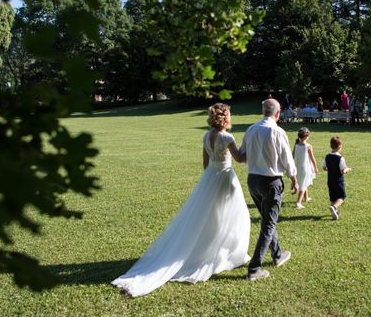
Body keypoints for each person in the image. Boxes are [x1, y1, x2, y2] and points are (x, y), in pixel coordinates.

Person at [111, 103, 249, 297]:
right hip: (225, 178)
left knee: (211, 217)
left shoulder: (206, 136)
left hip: (210, 177)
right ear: (225, 118)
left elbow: (205, 162)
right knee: (231, 216)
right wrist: (250, 143)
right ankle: (220, 254)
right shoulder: (227, 137)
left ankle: (214, 250)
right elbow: (240, 158)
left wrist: (209, 180)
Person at [240, 98, 298, 281]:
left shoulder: (251, 129)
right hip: (271, 181)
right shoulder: (277, 132)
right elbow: (287, 160)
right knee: (268, 224)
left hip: (253, 180)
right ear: (278, 113)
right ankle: (254, 268)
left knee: (267, 220)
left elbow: (241, 156)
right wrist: (294, 178)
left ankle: (277, 254)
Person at [323, 136, 352, 220]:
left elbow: (324, 168)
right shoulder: (340, 158)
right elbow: (343, 170)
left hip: (330, 180)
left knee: (333, 197)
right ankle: (334, 207)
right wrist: (348, 169)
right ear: (339, 146)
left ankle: (334, 213)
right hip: (338, 181)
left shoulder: (327, 156)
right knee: (342, 197)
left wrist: (329, 168)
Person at [293, 127, 317, 209]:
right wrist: (315, 167)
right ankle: (298, 203)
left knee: (303, 182)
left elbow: (293, 156)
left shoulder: (296, 145)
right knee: (303, 186)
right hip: (305, 168)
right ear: (306, 136)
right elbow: (312, 158)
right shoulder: (308, 146)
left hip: (297, 167)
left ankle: (306, 198)